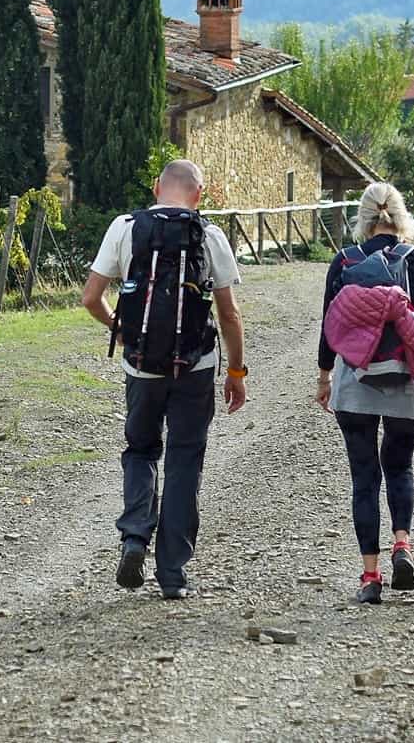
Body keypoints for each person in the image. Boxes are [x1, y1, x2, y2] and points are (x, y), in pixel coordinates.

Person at [80, 158, 247, 600]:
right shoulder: (208, 236)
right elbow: (228, 313)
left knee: (140, 450)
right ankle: (172, 574)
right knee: (184, 463)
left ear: (156, 187)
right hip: (196, 365)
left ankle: (135, 536)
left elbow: (91, 297)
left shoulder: (124, 228)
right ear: (200, 194)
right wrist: (236, 370)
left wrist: (120, 325)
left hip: (141, 365)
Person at [316, 182, 414, 605]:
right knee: (400, 466)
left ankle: (370, 577)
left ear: (364, 216)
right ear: (401, 215)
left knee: (363, 478)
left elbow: (328, 327)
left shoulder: (344, 261)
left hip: (355, 383)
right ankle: (403, 544)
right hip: (407, 381)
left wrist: (324, 379)